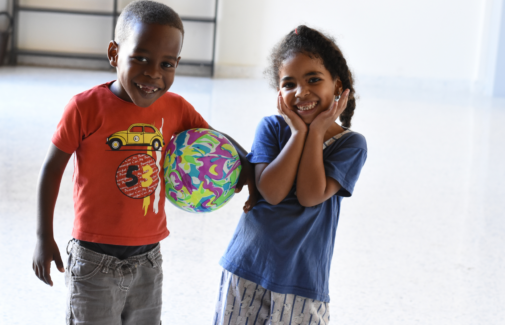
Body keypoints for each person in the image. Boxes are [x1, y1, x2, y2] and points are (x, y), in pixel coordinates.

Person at [30, 1, 254, 324]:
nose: (153, 74)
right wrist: (42, 236)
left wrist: (249, 166)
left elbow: (217, 142)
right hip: (93, 260)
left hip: (148, 259)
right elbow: (51, 169)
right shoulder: (84, 108)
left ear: (177, 64)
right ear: (114, 54)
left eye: (167, 65)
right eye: (141, 58)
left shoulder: (176, 108)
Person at [213, 25, 368, 325]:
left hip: (302, 282)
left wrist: (316, 133)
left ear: (337, 86)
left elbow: (311, 195)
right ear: (279, 93)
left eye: (313, 79)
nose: (301, 92)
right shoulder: (271, 128)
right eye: (289, 83)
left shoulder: (351, 144)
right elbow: (272, 192)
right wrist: (299, 133)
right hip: (245, 268)